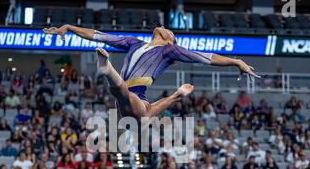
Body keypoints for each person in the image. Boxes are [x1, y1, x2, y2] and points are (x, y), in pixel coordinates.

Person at [43, 24, 259, 118]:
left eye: (169, 31)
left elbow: (205, 57)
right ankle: (175, 96)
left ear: (170, 39)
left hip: (133, 96)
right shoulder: (133, 43)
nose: (164, 27)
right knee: (142, 114)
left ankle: (107, 69)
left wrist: (236, 61)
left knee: (133, 105)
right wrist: (70, 28)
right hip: (128, 103)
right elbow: (99, 35)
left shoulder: (169, 50)